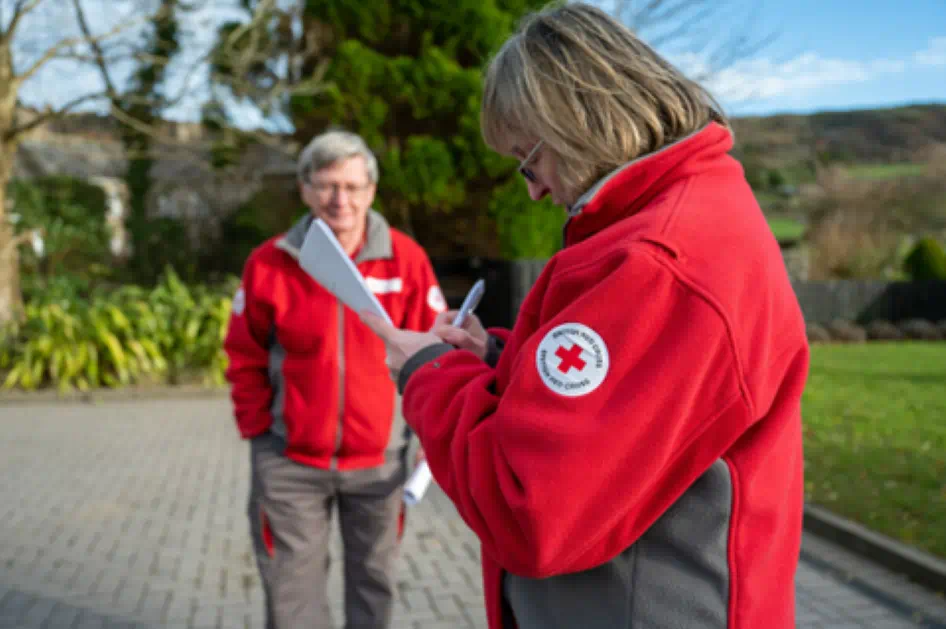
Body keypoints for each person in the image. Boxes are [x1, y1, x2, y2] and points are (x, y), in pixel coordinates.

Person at [359, 4, 810, 629]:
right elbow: (624, 404)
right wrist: (493, 359)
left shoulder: (656, 264)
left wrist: (430, 375)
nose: (534, 189)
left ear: (575, 119)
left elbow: (529, 508)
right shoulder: (682, 214)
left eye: (528, 159)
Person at [222, 129, 448, 629]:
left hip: (382, 463)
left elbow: (436, 351)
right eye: (326, 186)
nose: (339, 200)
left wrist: (432, 431)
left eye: (351, 186)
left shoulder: (406, 260)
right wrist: (260, 435)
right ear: (305, 189)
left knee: (374, 587)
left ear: (371, 190)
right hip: (290, 464)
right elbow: (244, 353)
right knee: (291, 595)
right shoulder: (272, 263)